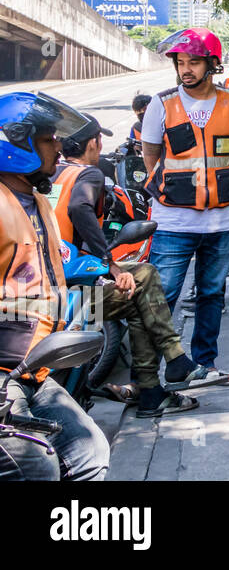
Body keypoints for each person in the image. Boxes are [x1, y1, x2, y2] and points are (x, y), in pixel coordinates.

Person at [51, 115, 229, 415]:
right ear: (93, 143)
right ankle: (174, 361)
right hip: (74, 295)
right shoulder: (89, 174)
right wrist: (110, 263)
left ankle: (151, 392)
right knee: (145, 276)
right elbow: (78, 206)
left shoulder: (49, 174)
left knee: (138, 298)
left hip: (51, 288)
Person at [0, 92, 111, 480]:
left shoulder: (36, 201)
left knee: (90, 453)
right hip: (4, 379)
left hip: (32, 371)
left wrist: (105, 270)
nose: (59, 147)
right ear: (16, 142)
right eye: (49, 139)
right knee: (37, 468)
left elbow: (55, 259)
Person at [142, 27, 229, 371]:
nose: (186, 69)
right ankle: (147, 377)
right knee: (162, 298)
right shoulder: (161, 104)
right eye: (181, 62)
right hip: (174, 221)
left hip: (222, 221)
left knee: (212, 295)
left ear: (212, 64)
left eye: (194, 62)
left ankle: (205, 364)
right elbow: (151, 155)